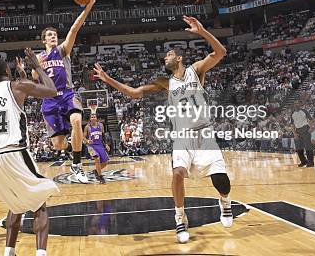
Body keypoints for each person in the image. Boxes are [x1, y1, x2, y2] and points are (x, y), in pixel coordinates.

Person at [94, 16, 233, 244]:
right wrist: (109, 80)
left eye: (168, 55)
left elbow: (220, 52)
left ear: (179, 58)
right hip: (182, 137)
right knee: (178, 173)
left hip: (204, 133)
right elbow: (135, 92)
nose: (164, 58)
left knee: (221, 181)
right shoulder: (164, 83)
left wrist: (202, 31)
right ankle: (180, 217)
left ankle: (225, 202)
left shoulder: (195, 71)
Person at [0, 49, 60, 256]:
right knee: (39, 203)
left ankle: (9, 251)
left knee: (15, 203)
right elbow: (51, 90)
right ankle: (41, 253)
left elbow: (13, 101)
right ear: (8, 69)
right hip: (12, 151)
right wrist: (36, 65)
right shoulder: (17, 86)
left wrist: (23, 79)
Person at [33, 0, 97, 183]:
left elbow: (74, 30)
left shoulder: (63, 50)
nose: (53, 37)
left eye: (55, 34)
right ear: (44, 40)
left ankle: (76, 164)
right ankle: (71, 149)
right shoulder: (38, 57)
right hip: (49, 100)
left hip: (67, 94)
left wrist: (88, 8)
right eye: (49, 35)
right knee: (59, 145)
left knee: (77, 120)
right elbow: (35, 78)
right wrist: (35, 67)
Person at [83, 113, 109, 184]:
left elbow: (103, 135)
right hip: (91, 146)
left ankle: (96, 171)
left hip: (100, 145)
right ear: (90, 119)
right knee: (97, 159)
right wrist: (87, 141)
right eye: (92, 117)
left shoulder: (100, 125)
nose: (93, 118)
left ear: (96, 118)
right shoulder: (87, 127)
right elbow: (83, 137)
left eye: (94, 117)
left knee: (105, 162)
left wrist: (106, 144)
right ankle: (100, 177)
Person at [291, 103, 314, 167]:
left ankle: (311, 162)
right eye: (295, 105)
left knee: (308, 147)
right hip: (297, 130)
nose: (296, 106)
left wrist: (311, 127)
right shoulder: (292, 114)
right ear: (294, 106)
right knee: (298, 148)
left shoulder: (304, 111)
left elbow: (311, 119)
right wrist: (294, 133)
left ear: (300, 105)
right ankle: (303, 161)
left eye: (297, 104)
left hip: (305, 129)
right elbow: (292, 125)